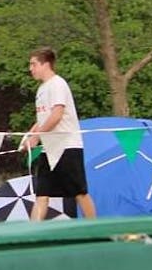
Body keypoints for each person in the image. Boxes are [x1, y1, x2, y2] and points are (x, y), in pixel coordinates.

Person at [21, 47, 96, 220]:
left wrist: (37, 136)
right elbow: (43, 118)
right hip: (50, 149)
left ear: (45, 64)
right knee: (42, 194)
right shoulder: (41, 90)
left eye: (33, 64)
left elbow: (57, 115)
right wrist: (29, 135)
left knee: (80, 192)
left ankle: (94, 228)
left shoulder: (58, 84)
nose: (30, 69)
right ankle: (32, 235)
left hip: (67, 146)